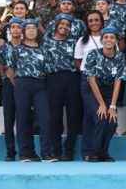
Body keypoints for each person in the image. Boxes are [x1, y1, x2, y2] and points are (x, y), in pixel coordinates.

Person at [6, 18, 55, 162]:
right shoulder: (16, 49)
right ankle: (26, 153)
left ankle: (46, 153)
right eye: (28, 29)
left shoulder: (43, 49)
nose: (31, 31)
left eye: (34, 28)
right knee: (23, 118)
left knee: (45, 118)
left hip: (40, 85)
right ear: (23, 31)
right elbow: (10, 70)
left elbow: (49, 69)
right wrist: (19, 84)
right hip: (22, 84)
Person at [83, 26, 126, 162]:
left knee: (112, 121)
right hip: (92, 90)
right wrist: (101, 104)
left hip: (109, 91)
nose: (109, 39)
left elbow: (118, 81)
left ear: (116, 41)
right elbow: (91, 79)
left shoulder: (120, 57)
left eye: (112, 37)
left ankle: (103, 152)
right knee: (101, 117)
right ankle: (93, 153)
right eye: (106, 37)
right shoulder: (93, 54)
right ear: (102, 40)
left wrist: (112, 106)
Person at [44, 14, 82, 161]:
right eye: (62, 24)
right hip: (53, 79)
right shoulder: (47, 42)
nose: (64, 27)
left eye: (67, 25)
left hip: (72, 79)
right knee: (55, 117)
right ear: (56, 25)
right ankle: (56, 150)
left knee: (73, 117)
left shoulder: (75, 42)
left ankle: (69, 151)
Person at [74, 11, 105, 160]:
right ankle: (90, 151)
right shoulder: (82, 41)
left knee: (92, 117)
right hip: (87, 80)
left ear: (101, 21)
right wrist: (87, 71)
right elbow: (78, 61)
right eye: (90, 20)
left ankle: (96, 151)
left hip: (105, 82)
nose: (93, 23)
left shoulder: (108, 38)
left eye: (96, 20)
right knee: (94, 115)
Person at [0, 17, 24, 161]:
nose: (16, 30)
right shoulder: (4, 47)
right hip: (8, 85)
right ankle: (10, 151)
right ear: (10, 30)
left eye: (19, 27)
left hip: (23, 85)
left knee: (22, 119)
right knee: (9, 119)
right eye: (13, 27)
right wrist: (4, 76)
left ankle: (23, 151)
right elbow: (0, 64)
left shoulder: (26, 46)